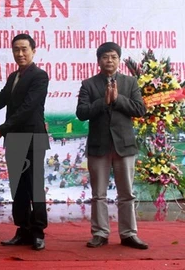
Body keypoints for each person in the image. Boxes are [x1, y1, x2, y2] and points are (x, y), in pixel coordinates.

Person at [76, 42, 148, 250]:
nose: (109, 60)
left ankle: (128, 234)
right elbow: (82, 112)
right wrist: (103, 102)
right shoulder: (89, 84)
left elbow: (140, 109)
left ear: (119, 60)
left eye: (113, 57)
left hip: (124, 146)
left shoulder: (130, 82)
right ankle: (100, 233)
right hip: (99, 146)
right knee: (98, 194)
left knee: (126, 193)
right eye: (105, 57)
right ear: (99, 61)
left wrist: (117, 99)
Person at [0, 33, 50, 251]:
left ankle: (38, 232)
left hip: (32, 139)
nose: (20, 53)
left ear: (33, 50)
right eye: (16, 49)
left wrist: (2, 129)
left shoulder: (40, 76)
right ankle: (23, 230)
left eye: (24, 49)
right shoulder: (13, 76)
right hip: (14, 139)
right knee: (18, 188)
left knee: (35, 187)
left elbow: (28, 109)